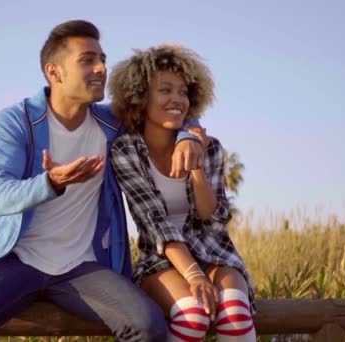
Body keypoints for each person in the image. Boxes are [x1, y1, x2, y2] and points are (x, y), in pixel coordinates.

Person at [0, 21, 204, 342]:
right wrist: (49, 182)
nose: (102, 68)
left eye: (102, 58)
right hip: (16, 263)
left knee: (148, 327)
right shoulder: (17, 121)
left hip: (83, 268)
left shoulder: (110, 123)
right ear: (54, 72)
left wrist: (189, 135)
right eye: (87, 60)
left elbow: (166, 108)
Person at [109, 44, 257, 342]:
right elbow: (155, 223)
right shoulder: (125, 151)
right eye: (165, 90)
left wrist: (197, 168)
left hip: (215, 252)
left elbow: (213, 219)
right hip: (161, 258)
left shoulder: (209, 146)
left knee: (236, 314)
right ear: (141, 97)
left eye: (183, 92)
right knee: (192, 315)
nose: (177, 99)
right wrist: (194, 275)